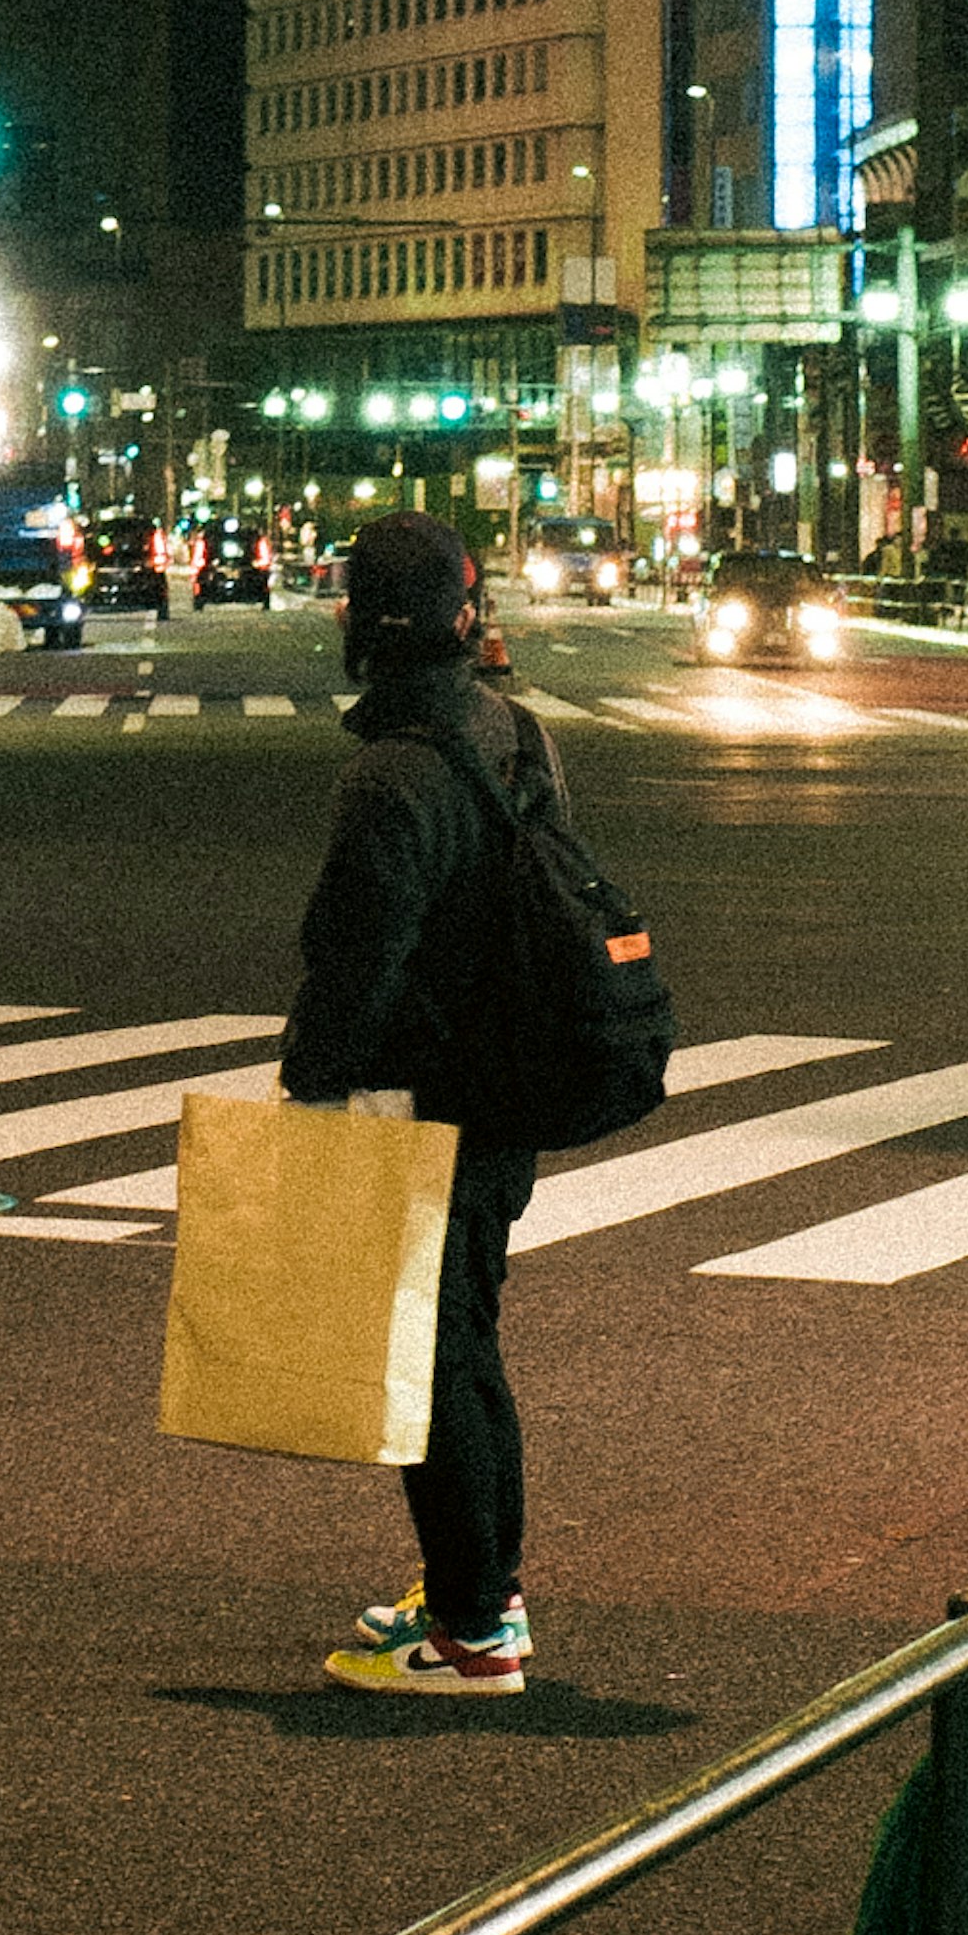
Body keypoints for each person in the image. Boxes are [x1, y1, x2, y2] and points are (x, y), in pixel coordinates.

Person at [280, 508, 559, 1703]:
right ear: (464, 612)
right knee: (470, 1341)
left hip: (427, 1095)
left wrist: (311, 1094)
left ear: (355, 622)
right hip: (514, 1085)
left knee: (432, 1361)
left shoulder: (391, 772)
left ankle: (466, 1633)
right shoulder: (514, 730)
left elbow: (353, 960)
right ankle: (485, 1589)